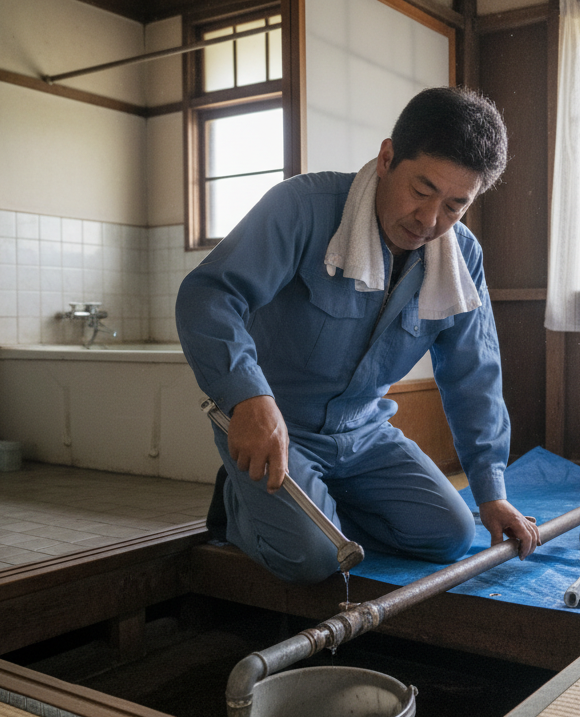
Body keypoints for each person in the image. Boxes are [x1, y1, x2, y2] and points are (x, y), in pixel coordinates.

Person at [176, 87, 540, 584]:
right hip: (277, 425)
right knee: (316, 558)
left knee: (451, 535)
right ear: (387, 157)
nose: (431, 221)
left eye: (456, 206)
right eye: (421, 191)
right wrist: (247, 398)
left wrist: (491, 490)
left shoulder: (462, 257)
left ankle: (313, 508)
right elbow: (209, 296)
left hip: (364, 434)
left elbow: (473, 371)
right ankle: (240, 507)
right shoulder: (303, 208)